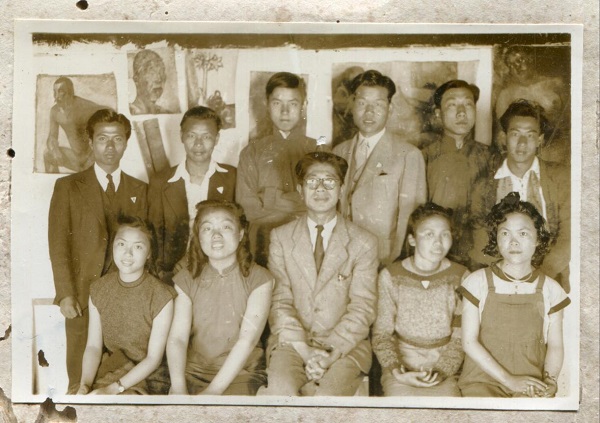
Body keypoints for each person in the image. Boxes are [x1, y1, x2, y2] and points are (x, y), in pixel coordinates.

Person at [259, 152, 378, 396]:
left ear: (341, 190)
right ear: (300, 190)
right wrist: (306, 352)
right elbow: (279, 301)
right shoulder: (281, 237)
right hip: (292, 343)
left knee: (327, 397)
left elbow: (363, 307)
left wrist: (328, 354)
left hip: (346, 345)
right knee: (281, 391)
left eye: (330, 181)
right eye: (312, 181)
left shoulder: (364, 242)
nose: (321, 188)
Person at [48, 108, 148, 394]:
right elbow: (58, 245)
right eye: (103, 138)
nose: (110, 146)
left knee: (122, 376)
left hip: (127, 298)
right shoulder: (68, 187)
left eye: (117, 139)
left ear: (126, 143)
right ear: (91, 142)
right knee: (80, 381)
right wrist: (65, 293)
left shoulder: (140, 189)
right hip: (81, 297)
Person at [458, 192, 570, 397]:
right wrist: (509, 380)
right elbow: (469, 342)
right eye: (505, 233)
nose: (513, 242)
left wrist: (550, 380)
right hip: (481, 382)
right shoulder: (477, 282)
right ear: (496, 238)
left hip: (530, 385)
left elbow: (555, 346)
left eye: (523, 233)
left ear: (538, 239)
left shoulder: (551, 289)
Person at [166, 200, 273, 395]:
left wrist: (212, 393)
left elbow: (247, 341)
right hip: (192, 373)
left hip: (241, 375)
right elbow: (177, 338)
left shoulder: (259, 278)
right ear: (198, 237)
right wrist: (179, 389)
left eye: (226, 227)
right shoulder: (185, 279)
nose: (216, 235)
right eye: (207, 229)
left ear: (241, 234)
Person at [469, 99, 571, 291]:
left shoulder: (559, 178)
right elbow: (480, 237)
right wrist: (505, 279)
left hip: (548, 277)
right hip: (499, 280)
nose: (522, 143)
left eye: (530, 135)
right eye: (515, 134)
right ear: (504, 137)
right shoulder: (484, 185)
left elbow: (569, 235)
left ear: (540, 140)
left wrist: (541, 277)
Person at [373, 203, 468, 397]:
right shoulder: (391, 276)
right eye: (429, 234)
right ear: (412, 239)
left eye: (445, 234)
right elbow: (382, 333)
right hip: (401, 367)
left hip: (445, 369)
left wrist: (442, 371)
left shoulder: (461, 276)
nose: (438, 242)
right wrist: (397, 371)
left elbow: (461, 337)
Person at [333, 69, 427, 264]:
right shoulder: (338, 152)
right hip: (340, 256)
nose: (369, 112)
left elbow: (410, 220)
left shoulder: (408, 155)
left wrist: (396, 264)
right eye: (362, 103)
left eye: (378, 104)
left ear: (390, 109)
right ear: (352, 105)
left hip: (383, 258)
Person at [77, 216, 176, 395]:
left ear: (149, 253)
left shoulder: (162, 295)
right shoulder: (99, 289)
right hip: (113, 368)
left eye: (138, 247)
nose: (128, 253)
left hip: (149, 377)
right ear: (113, 246)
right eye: (121, 244)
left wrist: (112, 390)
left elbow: (153, 359)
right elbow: (93, 347)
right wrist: (85, 385)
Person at [236, 71, 319, 266]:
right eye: (277, 103)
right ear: (267, 105)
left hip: (309, 243)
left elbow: (322, 204)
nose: (285, 111)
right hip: (263, 243)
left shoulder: (318, 149)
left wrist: (269, 198)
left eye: (293, 104)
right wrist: (299, 203)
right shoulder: (251, 152)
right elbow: (249, 210)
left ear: (304, 106)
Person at [149, 106, 236, 284]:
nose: (198, 144)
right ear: (181, 136)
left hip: (221, 272)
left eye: (206, 137)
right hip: (172, 272)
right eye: (191, 136)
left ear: (217, 139)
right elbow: (154, 232)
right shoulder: (161, 181)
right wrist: (162, 274)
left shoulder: (232, 178)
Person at [421, 80, 492, 266]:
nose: (462, 112)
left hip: (481, 257)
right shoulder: (423, 157)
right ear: (438, 113)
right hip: (436, 254)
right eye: (452, 105)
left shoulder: (492, 157)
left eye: (468, 104)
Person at [494, 45, 569, 165]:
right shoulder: (506, 94)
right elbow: (501, 134)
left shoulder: (555, 84)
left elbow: (571, 120)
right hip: (524, 153)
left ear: (530, 58)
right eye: (511, 65)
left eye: (520, 60)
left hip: (556, 149)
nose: (517, 67)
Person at [43, 76, 105, 173]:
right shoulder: (55, 111)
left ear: (70, 92)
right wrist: (55, 150)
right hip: (76, 159)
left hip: (93, 160)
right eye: (54, 92)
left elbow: (110, 113)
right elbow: (52, 136)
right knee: (48, 154)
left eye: (60, 91)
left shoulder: (83, 106)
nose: (56, 96)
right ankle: (52, 182)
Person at [129, 49, 168, 115]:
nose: (159, 79)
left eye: (161, 72)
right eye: (151, 72)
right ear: (136, 79)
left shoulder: (165, 113)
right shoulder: (129, 112)